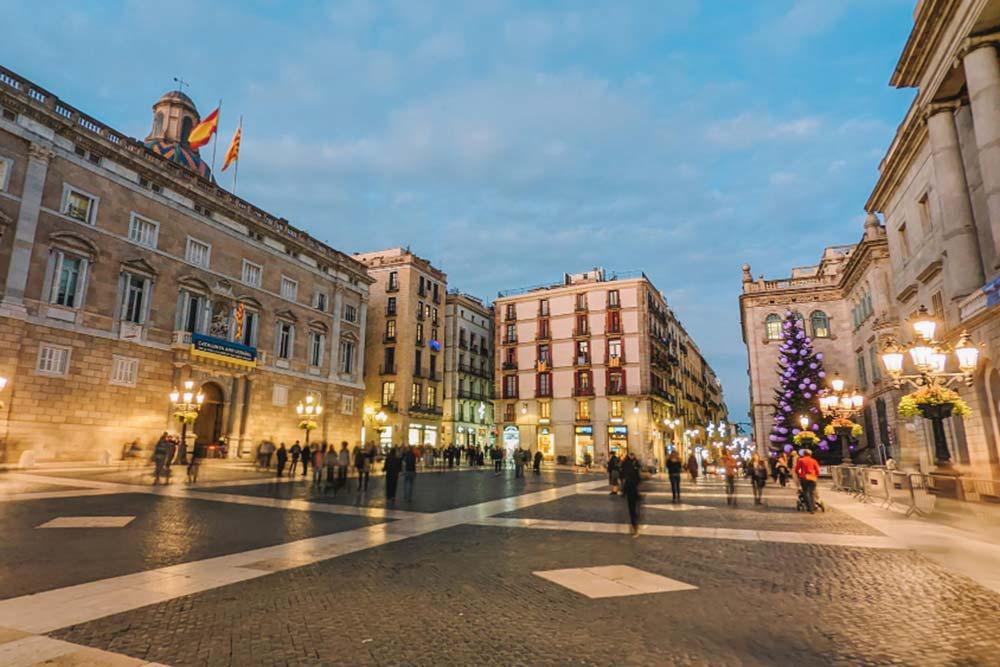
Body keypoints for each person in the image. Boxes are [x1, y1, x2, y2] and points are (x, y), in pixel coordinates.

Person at [620, 451, 642, 537]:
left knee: (633, 510)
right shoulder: (631, 464)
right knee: (633, 509)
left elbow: (624, 476)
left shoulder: (630, 463)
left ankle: (635, 527)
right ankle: (635, 527)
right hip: (633, 489)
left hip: (632, 489)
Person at [795, 448, 821, 513]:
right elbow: (817, 470)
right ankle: (813, 507)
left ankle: (809, 507)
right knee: (811, 492)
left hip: (804, 477)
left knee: (805, 492)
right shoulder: (814, 461)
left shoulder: (801, 460)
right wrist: (816, 475)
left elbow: (796, 469)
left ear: (804, 454)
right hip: (812, 477)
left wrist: (799, 474)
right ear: (810, 454)